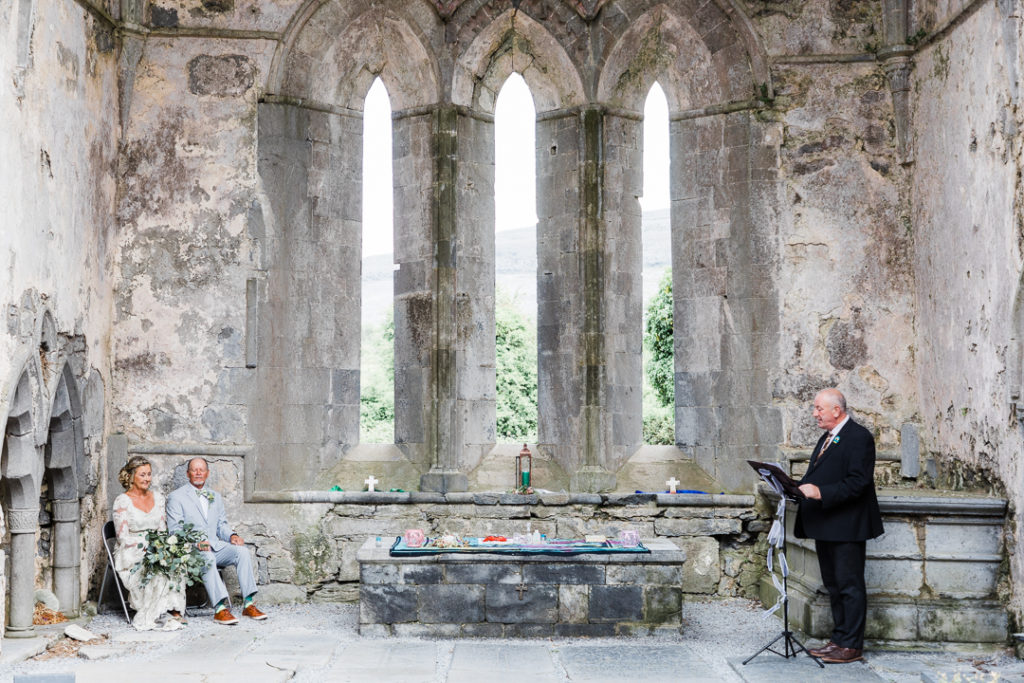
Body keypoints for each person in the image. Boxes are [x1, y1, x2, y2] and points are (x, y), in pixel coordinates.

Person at [796, 388, 884, 664]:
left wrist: (819, 492)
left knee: (849, 585)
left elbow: (858, 483)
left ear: (837, 410)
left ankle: (851, 646)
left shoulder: (859, 437)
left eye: (819, 408)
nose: (815, 414)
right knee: (834, 585)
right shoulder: (828, 437)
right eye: (815, 408)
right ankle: (839, 640)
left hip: (847, 525)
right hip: (828, 524)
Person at [165, 457, 267, 625]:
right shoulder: (176, 497)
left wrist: (232, 536)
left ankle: (248, 604)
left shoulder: (215, 496)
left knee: (242, 551)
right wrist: (195, 542)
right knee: (207, 557)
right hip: (191, 551)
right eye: (194, 470)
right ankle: (220, 609)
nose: (198, 473)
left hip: (215, 546)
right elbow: (174, 530)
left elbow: (221, 525)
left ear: (207, 473)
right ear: (188, 473)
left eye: (202, 470)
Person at [112, 456, 187, 631]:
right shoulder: (122, 501)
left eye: (149, 474)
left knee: (174, 561)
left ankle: (172, 608)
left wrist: (163, 546)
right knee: (153, 566)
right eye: (142, 475)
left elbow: (162, 529)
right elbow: (122, 537)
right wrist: (147, 545)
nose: (147, 479)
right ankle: (158, 613)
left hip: (156, 544)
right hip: (131, 550)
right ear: (131, 477)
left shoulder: (158, 498)